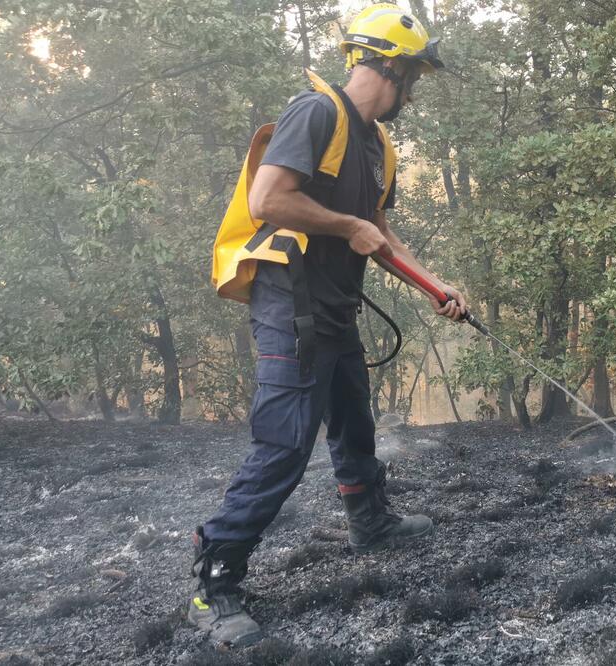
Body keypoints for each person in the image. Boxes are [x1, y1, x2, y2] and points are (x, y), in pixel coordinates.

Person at [188, 4, 466, 648]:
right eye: (414, 76)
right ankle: (215, 578)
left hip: (335, 308)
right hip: (291, 308)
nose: (413, 90)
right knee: (285, 444)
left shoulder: (376, 145)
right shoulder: (317, 113)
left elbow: (381, 235)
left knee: (352, 418)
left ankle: (369, 521)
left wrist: (435, 286)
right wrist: (346, 226)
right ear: (388, 67)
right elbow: (269, 200)